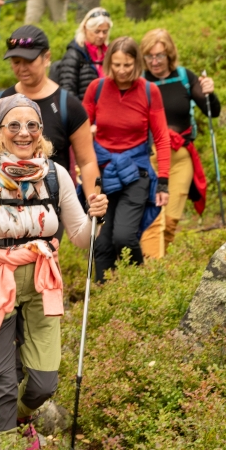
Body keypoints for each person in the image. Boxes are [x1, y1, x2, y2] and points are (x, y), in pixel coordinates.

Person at [0, 94, 108, 450]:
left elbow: (80, 238)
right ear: (0, 132)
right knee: (0, 383)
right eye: (14, 125)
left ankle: (19, 418)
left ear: (41, 131)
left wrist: (96, 218)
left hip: (43, 282)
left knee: (44, 383)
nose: (24, 133)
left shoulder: (55, 176)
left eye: (32, 125)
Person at [0, 25, 100, 207]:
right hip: (0, 205)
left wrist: (93, 206)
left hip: (48, 209)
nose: (22, 68)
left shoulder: (68, 106)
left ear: (46, 58)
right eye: (16, 62)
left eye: (29, 61)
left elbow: (87, 161)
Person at [83, 37, 170, 282]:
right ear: (109, 62)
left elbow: (162, 138)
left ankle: (136, 290)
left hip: (136, 173)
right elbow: (80, 132)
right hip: (103, 174)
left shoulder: (149, 91)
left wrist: (163, 182)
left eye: (128, 65)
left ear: (137, 63)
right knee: (101, 242)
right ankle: (104, 299)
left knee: (124, 237)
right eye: (117, 65)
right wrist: (78, 168)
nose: (122, 71)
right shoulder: (96, 89)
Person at [139, 29, 220, 258]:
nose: (154, 62)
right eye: (149, 56)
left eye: (159, 56)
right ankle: (149, 270)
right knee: (155, 219)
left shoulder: (184, 77)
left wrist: (209, 93)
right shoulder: (141, 82)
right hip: (151, 157)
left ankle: (159, 269)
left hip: (181, 158)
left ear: (169, 55)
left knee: (171, 220)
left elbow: (212, 111)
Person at [55, 7, 111, 99]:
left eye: (105, 32)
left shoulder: (109, 53)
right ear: (85, 28)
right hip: (83, 109)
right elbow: (67, 89)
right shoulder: (74, 54)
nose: (101, 36)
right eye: (97, 31)